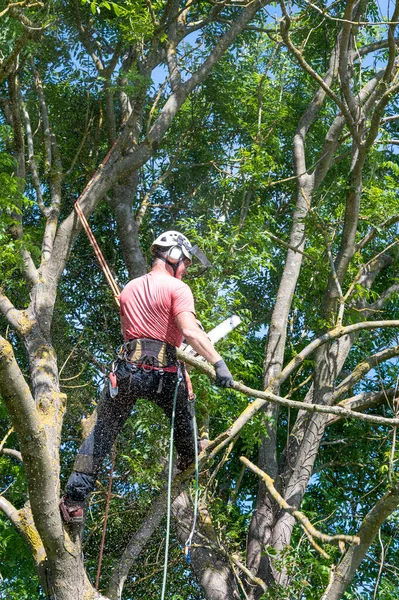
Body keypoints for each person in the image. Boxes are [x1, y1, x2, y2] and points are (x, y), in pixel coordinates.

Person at [60, 231, 233, 523]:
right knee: (184, 420)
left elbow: (136, 326)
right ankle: (189, 456)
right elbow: (189, 331)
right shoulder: (178, 289)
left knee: (101, 434)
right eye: (186, 262)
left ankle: (74, 500)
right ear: (174, 256)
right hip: (163, 375)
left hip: (127, 372)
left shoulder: (129, 288)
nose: (187, 269)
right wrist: (218, 362)